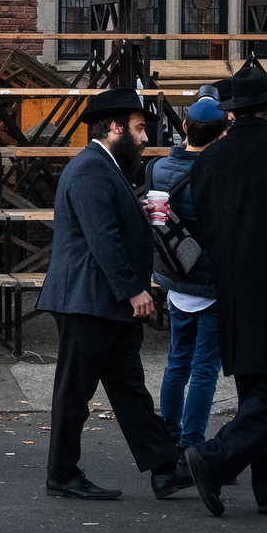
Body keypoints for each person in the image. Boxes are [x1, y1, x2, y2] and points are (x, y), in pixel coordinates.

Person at [39, 87, 192, 501]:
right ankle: (62, 474)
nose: (145, 138)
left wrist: (137, 214)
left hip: (100, 301)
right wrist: (134, 291)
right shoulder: (91, 168)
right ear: (114, 128)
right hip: (88, 301)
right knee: (75, 391)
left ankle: (164, 468)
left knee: (128, 388)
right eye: (139, 129)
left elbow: (109, 221)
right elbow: (101, 237)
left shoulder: (104, 167)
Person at [185, 64, 267, 519]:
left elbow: (204, 224)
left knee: (255, 393)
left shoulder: (208, 160)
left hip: (231, 290)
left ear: (233, 114)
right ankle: (215, 456)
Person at [147, 96, 226, 452]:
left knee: (177, 360)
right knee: (205, 367)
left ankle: (168, 436)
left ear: (184, 128)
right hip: (210, 281)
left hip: (175, 275)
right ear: (223, 133)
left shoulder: (158, 169)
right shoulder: (220, 172)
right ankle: (193, 442)